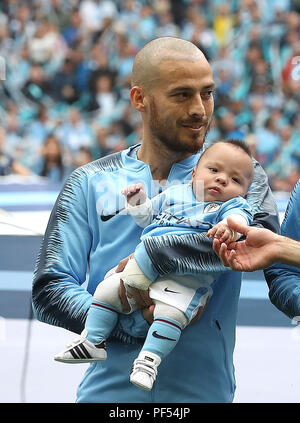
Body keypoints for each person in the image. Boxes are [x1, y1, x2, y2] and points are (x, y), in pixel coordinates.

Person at [32, 37, 279, 403]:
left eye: (207, 93)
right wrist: (134, 320)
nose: (200, 109)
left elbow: (257, 245)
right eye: (182, 95)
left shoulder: (242, 177)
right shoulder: (88, 181)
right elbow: (49, 289)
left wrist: (155, 259)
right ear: (139, 99)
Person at [54, 139, 254, 392]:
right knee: (106, 291)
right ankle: (93, 340)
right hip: (138, 265)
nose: (223, 180)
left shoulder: (231, 206)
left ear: (246, 193)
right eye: (213, 171)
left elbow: (242, 222)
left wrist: (230, 227)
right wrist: (137, 202)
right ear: (195, 174)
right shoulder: (174, 194)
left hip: (185, 278)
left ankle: (149, 361)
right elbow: (147, 216)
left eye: (235, 180)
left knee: (171, 314)